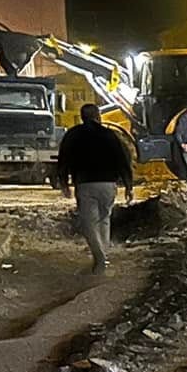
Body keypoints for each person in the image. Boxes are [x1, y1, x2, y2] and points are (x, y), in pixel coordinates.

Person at [53, 103, 133, 275]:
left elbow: (63, 160)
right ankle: (103, 255)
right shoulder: (109, 134)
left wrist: (63, 182)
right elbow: (123, 159)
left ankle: (100, 257)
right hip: (108, 184)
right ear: (99, 116)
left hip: (85, 184)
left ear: (82, 117)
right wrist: (128, 186)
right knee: (104, 219)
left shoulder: (73, 135)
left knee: (89, 223)